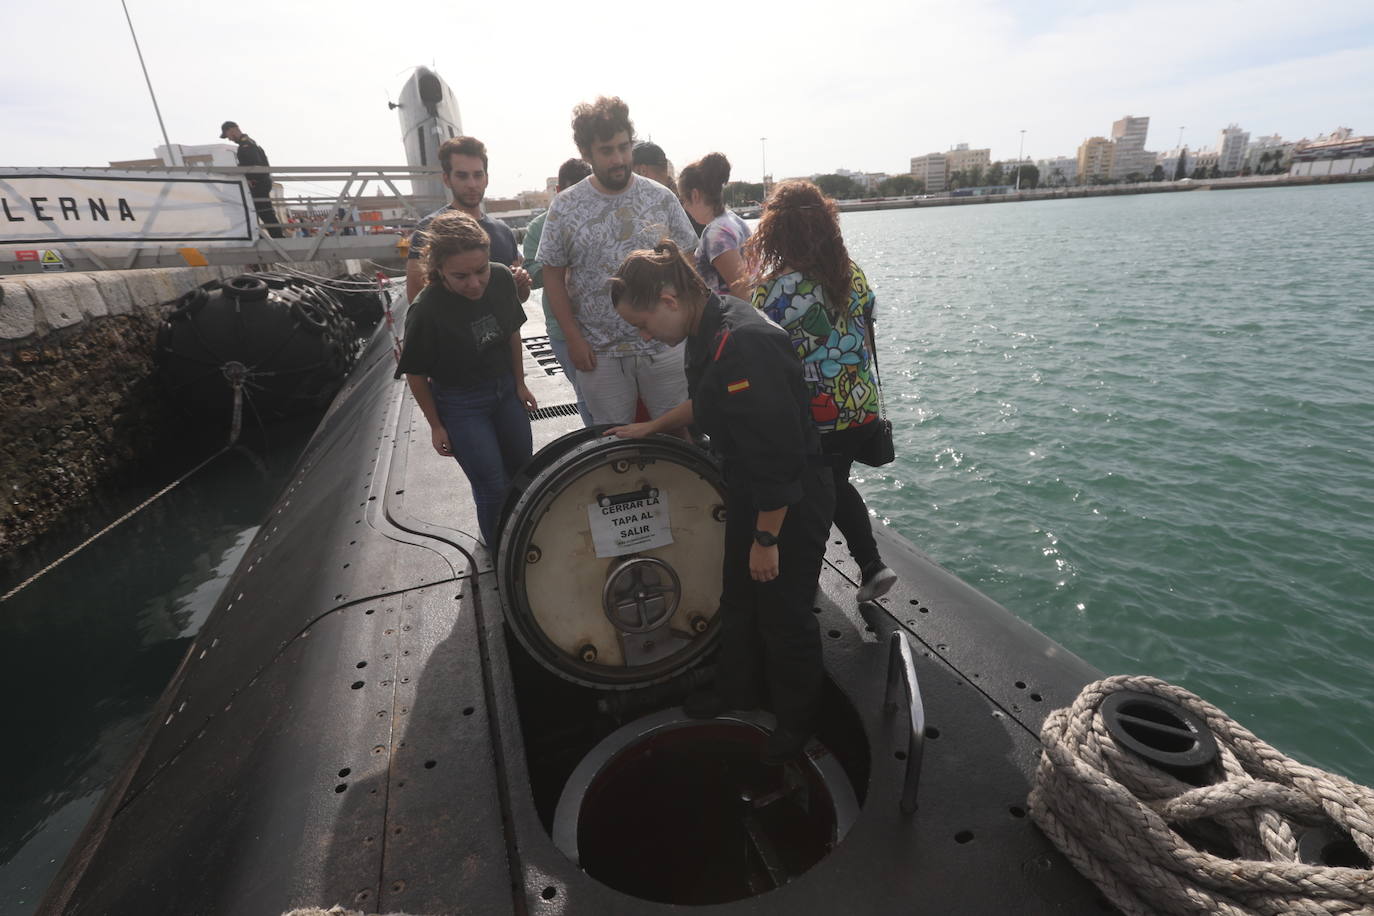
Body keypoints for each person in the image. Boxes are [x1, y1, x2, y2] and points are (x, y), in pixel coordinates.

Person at [607, 239, 834, 764]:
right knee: (737, 595)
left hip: (788, 499)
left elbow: (779, 455)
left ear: (667, 298)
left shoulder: (743, 341)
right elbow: (710, 398)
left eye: (642, 323)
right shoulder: (706, 325)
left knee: (785, 615)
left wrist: (766, 539)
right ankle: (739, 690)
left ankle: (797, 722)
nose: (643, 337)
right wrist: (653, 426)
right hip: (750, 484)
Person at [744, 180, 897, 602]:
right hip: (860, 406)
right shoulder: (852, 274)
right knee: (836, 483)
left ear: (775, 231)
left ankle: (815, 579)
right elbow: (869, 323)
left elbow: (761, 353)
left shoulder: (771, 290)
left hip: (816, 418)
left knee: (812, 499)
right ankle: (870, 567)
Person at [535, 96, 698, 426]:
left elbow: (687, 262)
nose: (619, 158)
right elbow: (552, 276)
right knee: (612, 443)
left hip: (664, 346)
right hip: (600, 351)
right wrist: (573, 338)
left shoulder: (660, 197)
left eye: (624, 147)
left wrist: (688, 328)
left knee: (679, 436)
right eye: (607, 150)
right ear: (587, 153)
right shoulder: (565, 207)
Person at [397, 211, 536, 553]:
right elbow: (415, 372)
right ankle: (501, 552)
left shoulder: (502, 279)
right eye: (460, 276)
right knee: (491, 484)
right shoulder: (426, 310)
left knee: (523, 469)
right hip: (462, 404)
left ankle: (526, 535)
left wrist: (519, 384)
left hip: (503, 389)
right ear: (438, 269)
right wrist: (436, 425)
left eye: (481, 270)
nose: (474, 283)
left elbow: (512, 334)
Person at [405, 136, 531, 305]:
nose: (472, 184)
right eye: (462, 176)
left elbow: (518, 299)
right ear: (447, 179)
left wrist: (522, 284)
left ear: (486, 178)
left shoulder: (503, 231)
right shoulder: (428, 230)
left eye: (478, 175)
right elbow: (416, 300)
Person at [523, 157, 594, 425]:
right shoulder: (538, 228)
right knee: (586, 395)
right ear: (559, 191)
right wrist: (560, 266)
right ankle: (599, 446)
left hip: (601, 325)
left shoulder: (598, 219)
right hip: (563, 329)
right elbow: (532, 274)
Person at [678, 153, 752, 299]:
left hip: (733, 318)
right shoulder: (733, 220)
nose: (684, 207)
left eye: (683, 200)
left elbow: (742, 290)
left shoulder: (716, 234)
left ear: (695, 195)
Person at [220, 120, 283, 238]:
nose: (229, 139)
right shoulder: (249, 142)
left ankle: (276, 237)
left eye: (227, 135)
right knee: (262, 212)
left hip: (258, 184)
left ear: (232, 130)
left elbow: (253, 164)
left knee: (263, 212)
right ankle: (272, 237)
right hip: (261, 182)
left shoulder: (246, 145)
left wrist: (244, 175)